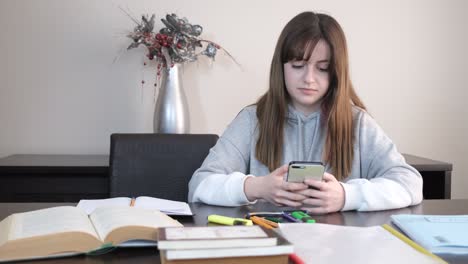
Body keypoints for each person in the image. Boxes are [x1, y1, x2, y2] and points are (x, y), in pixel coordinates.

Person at [188, 11, 423, 214]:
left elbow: (410, 184)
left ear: (336, 72)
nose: (309, 78)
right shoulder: (252, 120)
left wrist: (346, 195)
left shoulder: (358, 123)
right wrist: (256, 187)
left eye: (322, 68)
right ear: (280, 67)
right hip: (272, 244)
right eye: (298, 65)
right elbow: (200, 185)